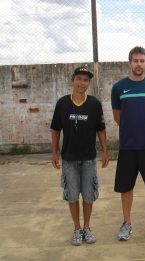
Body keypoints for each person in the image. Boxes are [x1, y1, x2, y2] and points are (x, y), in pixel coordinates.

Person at [111, 46, 145, 241]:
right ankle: (126, 223)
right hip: (127, 146)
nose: (139, 64)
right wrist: (131, 130)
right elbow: (118, 117)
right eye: (135, 60)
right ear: (130, 62)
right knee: (126, 187)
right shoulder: (118, 88)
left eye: (142, 60)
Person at [50, 66, 109, 246]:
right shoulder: (62, 103)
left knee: (89, 195)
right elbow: (55, 129)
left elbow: (101, 130)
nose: (82, 83)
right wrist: (54, 153)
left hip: (89, 159)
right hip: (69, 159)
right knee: (73, 195)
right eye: (79, 79)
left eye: (85, 80)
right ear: (72, 80)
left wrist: (105, 151)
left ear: (88, 83)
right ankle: (76, 229)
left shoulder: (94, 104)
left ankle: (87, 227)